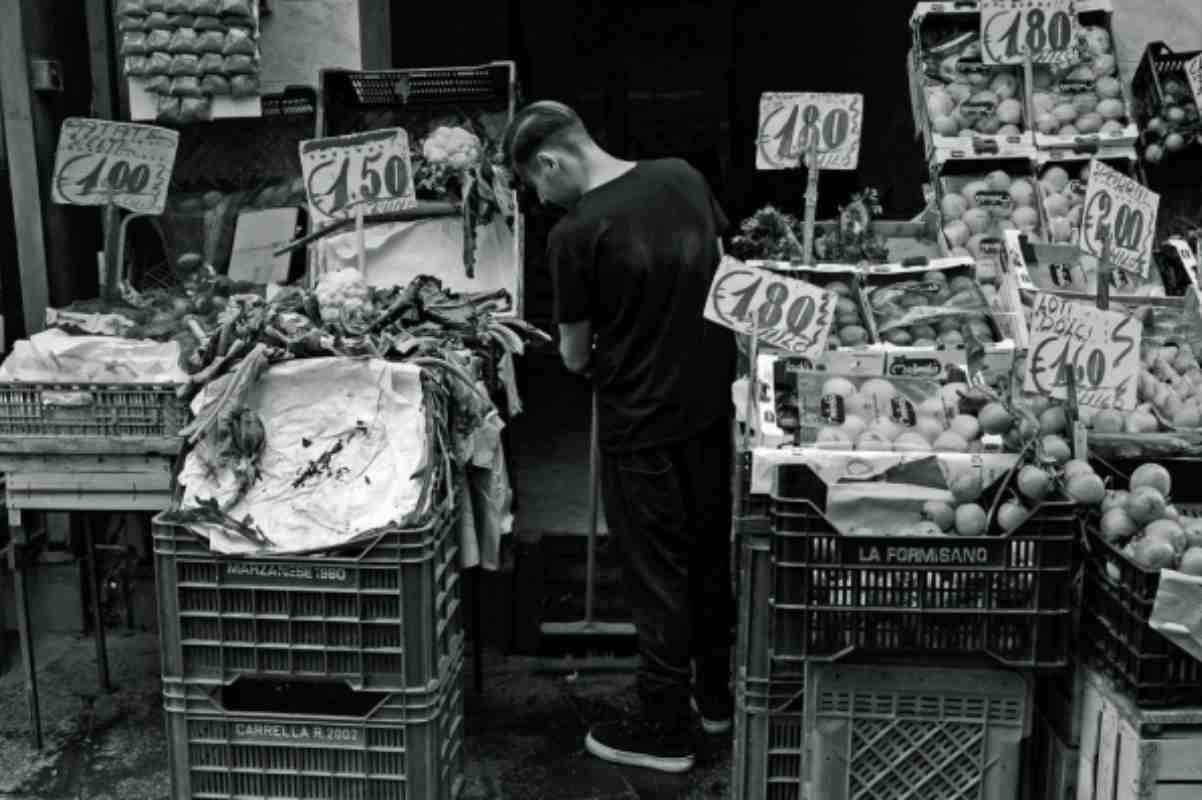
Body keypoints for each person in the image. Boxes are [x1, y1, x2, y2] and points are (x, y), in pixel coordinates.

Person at [503, 101, 737, 774]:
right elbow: (722, 267)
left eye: (533, 186)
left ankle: (664, 728)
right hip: (709, 407)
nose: (540, 200)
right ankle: (714, 698)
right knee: (705, 554)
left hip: (641, 425)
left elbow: (574, 355)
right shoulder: (682, 177)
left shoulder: (575, 234)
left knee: (656, 572)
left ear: (550, 161)